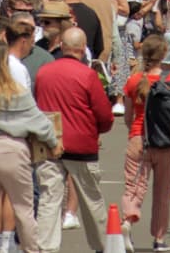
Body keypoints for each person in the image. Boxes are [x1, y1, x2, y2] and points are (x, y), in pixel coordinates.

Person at [0, 41, 59, 253]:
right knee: (24, 209)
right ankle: (31, 250)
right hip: (11, 149)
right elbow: (40, 122)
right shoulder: (16, 92)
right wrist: (53, 143)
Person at [34, 27, 114, 253]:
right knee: (92, 200)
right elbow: (104, 115)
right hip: (81, 144)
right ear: (83, 48)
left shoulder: (44, 72)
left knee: (49, 199)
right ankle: (102, 246)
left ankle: (45, 247)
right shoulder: (87, 75)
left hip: (49, 143)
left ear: (62, 45)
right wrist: (98, 130)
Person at [122, 35, 170, 251]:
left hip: (139, 137)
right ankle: (159, 239)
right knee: (163, 192)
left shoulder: (134, 80)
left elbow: (128, 116)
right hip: (165, 140)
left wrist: (134, 132)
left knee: (134, 185)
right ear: (163, 54)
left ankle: (127, 220)